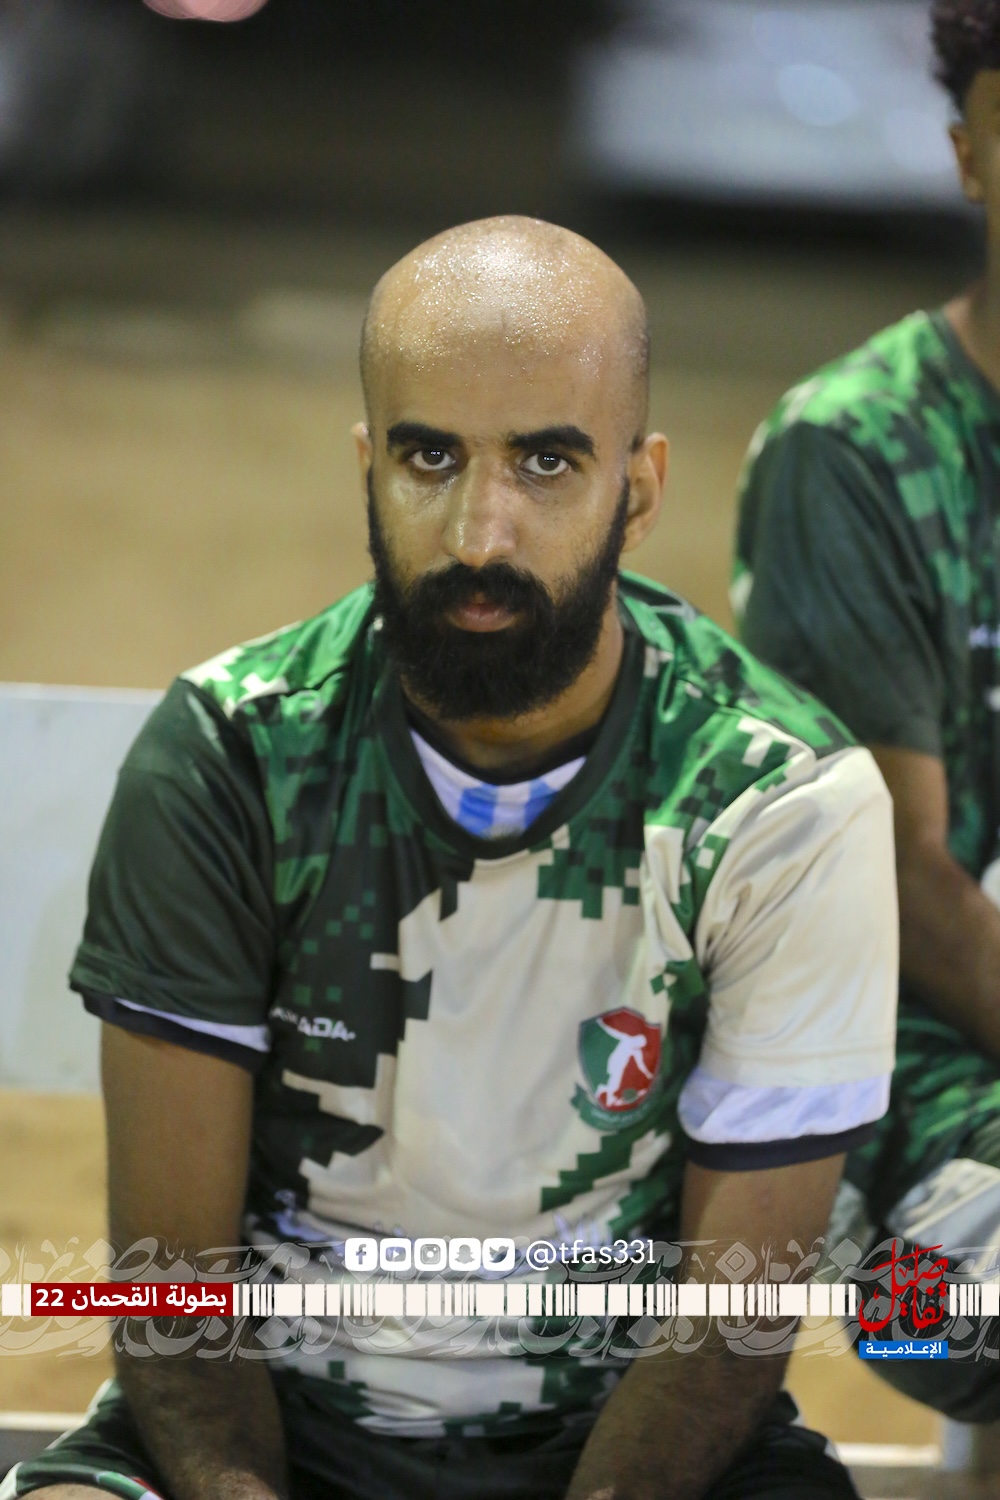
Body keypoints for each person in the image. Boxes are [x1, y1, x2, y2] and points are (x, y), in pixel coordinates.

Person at [6, 216, 895, 1500]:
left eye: (547, 461)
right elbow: (173, 1295)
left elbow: (726, 1332)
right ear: (367, 470)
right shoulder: (229, 758)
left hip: (630, 1441)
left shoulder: (781, 802)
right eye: (430, 457)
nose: (481, 532)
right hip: (277, 1426)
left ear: (639, 491)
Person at [734, 0, 1000, 1422]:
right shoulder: (857, 448)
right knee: (951, 1309)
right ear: (970, 155)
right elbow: (901, 871)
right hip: (900, 1085)